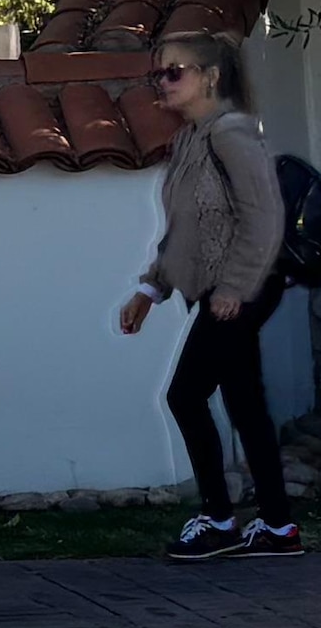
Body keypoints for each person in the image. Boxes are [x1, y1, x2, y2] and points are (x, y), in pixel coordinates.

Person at [117, 27, 300, 558]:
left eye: (174, 72)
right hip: (219, 290)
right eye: (159, 73)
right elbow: (186, 232)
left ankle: (219, 520)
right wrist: (150, 289)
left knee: (184, 395)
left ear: (211, 77)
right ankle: (278, 527)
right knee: (244, 402)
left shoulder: (231, 133)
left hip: (241, 288)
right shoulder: (191, 139)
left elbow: (264, 218)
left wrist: (235, 287)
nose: (163, 81)